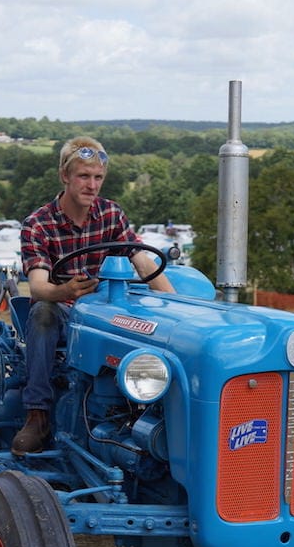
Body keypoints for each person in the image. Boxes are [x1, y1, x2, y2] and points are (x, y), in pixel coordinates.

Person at [11, 136, 175, 455]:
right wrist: (65, 291)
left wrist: (176, 305)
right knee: (42, 312)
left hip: (105, 311)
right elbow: (39, 287)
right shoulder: (38, 224)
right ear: (65, 176)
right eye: (83, 176)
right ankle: (37, 414)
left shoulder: (111, 214)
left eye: (98, 177)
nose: (92, 185)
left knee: (148, 324)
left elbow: (142, 262)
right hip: (61, 310)